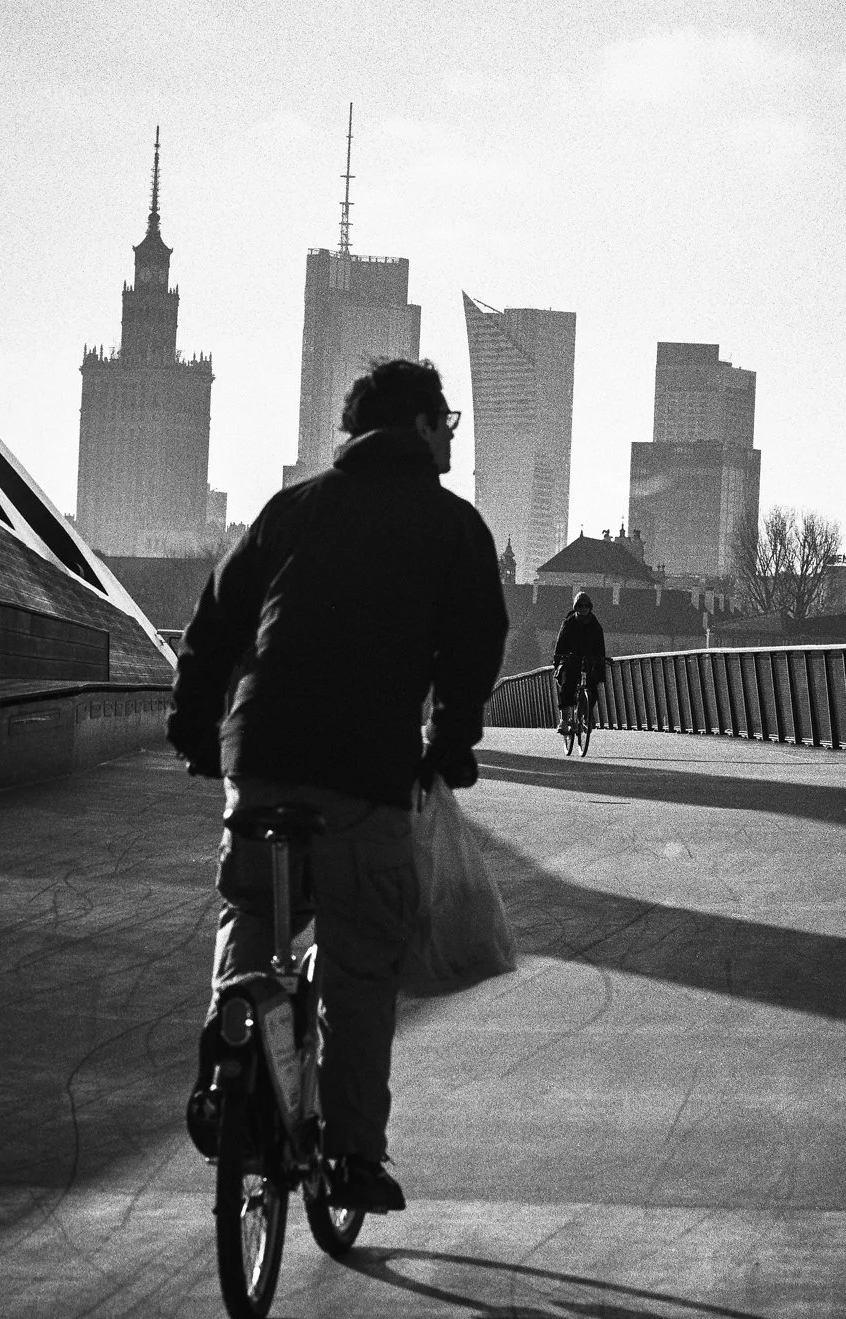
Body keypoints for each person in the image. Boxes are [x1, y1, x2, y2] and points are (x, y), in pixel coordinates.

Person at [166, 357, 508, 1213]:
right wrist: (450, 743)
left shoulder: (293, 508)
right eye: (447, 426)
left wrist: (197, 731)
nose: (451, 443)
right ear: (422, 425)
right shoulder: (450, 523)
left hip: (262, 755)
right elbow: (473, 645)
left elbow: (215, 623)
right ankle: (352, 1156)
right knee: (360, 960)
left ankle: (230, 1059)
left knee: (252, 911)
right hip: (364, 769)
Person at [553, 590, 607, 733]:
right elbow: (560, 645)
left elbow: (600, 648)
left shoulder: (595, 625)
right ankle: (564, 720)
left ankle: (584, 715)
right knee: (567, 685)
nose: (583, 609)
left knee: (592, 689)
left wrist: (601, 663)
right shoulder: (568, 623)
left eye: (586, 606)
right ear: (576, 607)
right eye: (580, 606)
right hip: (572, 660)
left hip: (589, 661)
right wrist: (558, 662)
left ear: (590, 607)